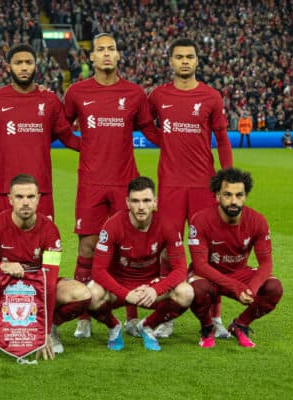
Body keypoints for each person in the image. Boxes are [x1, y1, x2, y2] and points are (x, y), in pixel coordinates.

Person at [63, 34, 160, 339]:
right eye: (100, 49)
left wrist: (184, 137)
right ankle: (83, 316)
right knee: (87, 249)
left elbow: (150, 131)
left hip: (124, 184)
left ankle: (131, 317)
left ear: (119, 56)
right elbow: (63, 130)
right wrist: (86, 147)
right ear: (91, 57)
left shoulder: (134, 93)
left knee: (127, 250)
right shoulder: (77, 92)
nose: (106, 54)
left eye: (111, 49)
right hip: (91, 183)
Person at [147, 37, 233, 339]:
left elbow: (222, 139)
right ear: (170, 61)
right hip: (170, 185)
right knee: (169, 254)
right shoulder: (158, 96)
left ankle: (215, 318)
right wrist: (166, 143)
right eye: (179, 57)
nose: (185, 61)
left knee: (208, 255)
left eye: (190, 56)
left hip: (202, 185)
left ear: (197, 61)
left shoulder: (211, 97)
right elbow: (144, 125)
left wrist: (227, 178)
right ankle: (167, 316)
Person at [0, 174, 91, 357]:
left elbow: (50, 280)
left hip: (38, 286)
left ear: (38, 199)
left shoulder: (50, 229)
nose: (25, 202)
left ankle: (52, 328)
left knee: (82, 294)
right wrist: (2, 267)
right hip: (5, 286)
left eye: (30, 197)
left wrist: (44, 331)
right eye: (19, 197)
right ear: (10, 199)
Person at [0, 43, 80, 221]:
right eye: (18, 63)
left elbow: (68, 137)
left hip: (40, 191)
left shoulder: (50, 100)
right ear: (8, 67)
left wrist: (102, 145)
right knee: (2, 247)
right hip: (4, 191)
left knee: (45, 247)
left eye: (28, 62)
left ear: (36, 65)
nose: (23, 67)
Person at [86, 176, 193, 351]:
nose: (141, 206)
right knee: (90, 294)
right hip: (119, 286)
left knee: (186, 292)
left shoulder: (167, 225)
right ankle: (114, 327)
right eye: (135, 201)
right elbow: (98, 271)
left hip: (150, 287)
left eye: (146, 200)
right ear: (127, 202)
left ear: (155, 202)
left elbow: (181, 269)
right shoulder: (112, 226)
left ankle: (148, 325)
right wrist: (125, 294)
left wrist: (155, 289)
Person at [188, 168, 283, 348]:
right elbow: (200, 265)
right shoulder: (200, 220)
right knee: (197, 289)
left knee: (274, 288)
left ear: (245, 196)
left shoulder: (257, 220)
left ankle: (240, 325)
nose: (234, 201)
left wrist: (252, 289)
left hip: (238, 273)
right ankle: (207, 328)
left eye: (239, 195)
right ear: (217, 196)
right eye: (227, 195)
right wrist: (236, 287)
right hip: (209, 274)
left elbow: (266, 263)